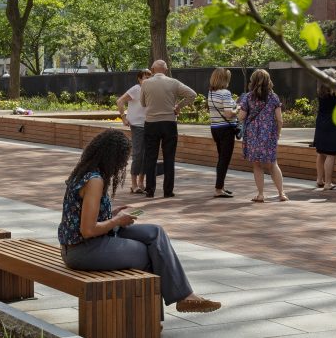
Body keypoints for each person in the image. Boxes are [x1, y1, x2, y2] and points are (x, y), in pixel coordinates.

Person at [58, 129, 220, 313]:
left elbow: (83, 215)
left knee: (155, 232)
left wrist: (111, 214)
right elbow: (87, 230)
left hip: (88, 243)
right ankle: (152, 322)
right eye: (122, 159)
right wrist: (116, 221)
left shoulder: (88, 173)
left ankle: (185, 297)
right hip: (81, 250)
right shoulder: (94, 180)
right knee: (149, 254)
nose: (123, 164)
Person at [140, 59, 196, 199]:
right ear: (165, 69)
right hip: (169, 123)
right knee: (169, 158)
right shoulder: (174, 82)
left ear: (152, 70)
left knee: (150, 157)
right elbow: (192, 94)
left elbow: (142, 103)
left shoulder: (146, 83)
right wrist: (178, 106)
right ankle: (168, 191)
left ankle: (150, 190)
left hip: (151, 123)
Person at [239, 68, 287, 202]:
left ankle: (260, 195)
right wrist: (278, 133)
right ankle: (281, 193)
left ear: (252, 81)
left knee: (257, 164)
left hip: (253, 134)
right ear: (268, 81)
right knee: (273, 164)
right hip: (269, 134)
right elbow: (279, 119)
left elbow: (241, 116)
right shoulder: (273, 97)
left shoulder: (248, 97)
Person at [116, 69, 152, 194]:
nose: (147, 79)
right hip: (137, 125)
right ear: (139, 79)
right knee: (138, 154)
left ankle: (142, 182)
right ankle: (134, 184)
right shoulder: (136, 89)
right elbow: (120, 101)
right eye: (145, 77)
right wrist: (123, 117)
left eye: (149, 77)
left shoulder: (151, 90)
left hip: (149, 125)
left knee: (147, 154)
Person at [207, 67, 240, 199]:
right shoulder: (225, 93)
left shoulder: (210, 92)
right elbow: (228, 113)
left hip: (215, 128)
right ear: (224, 79)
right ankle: (218, 189)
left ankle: (221, 186)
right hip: (226, 129)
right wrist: (237, 109)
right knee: (224, 160)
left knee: (221, 158)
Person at [312, 79, 336, 190]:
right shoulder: (335, 92)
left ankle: (319, 180)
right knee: (330, 154)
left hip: (321, 123)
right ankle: (328, 183)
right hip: (331, 124)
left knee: (321, 152)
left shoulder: (321, 91)